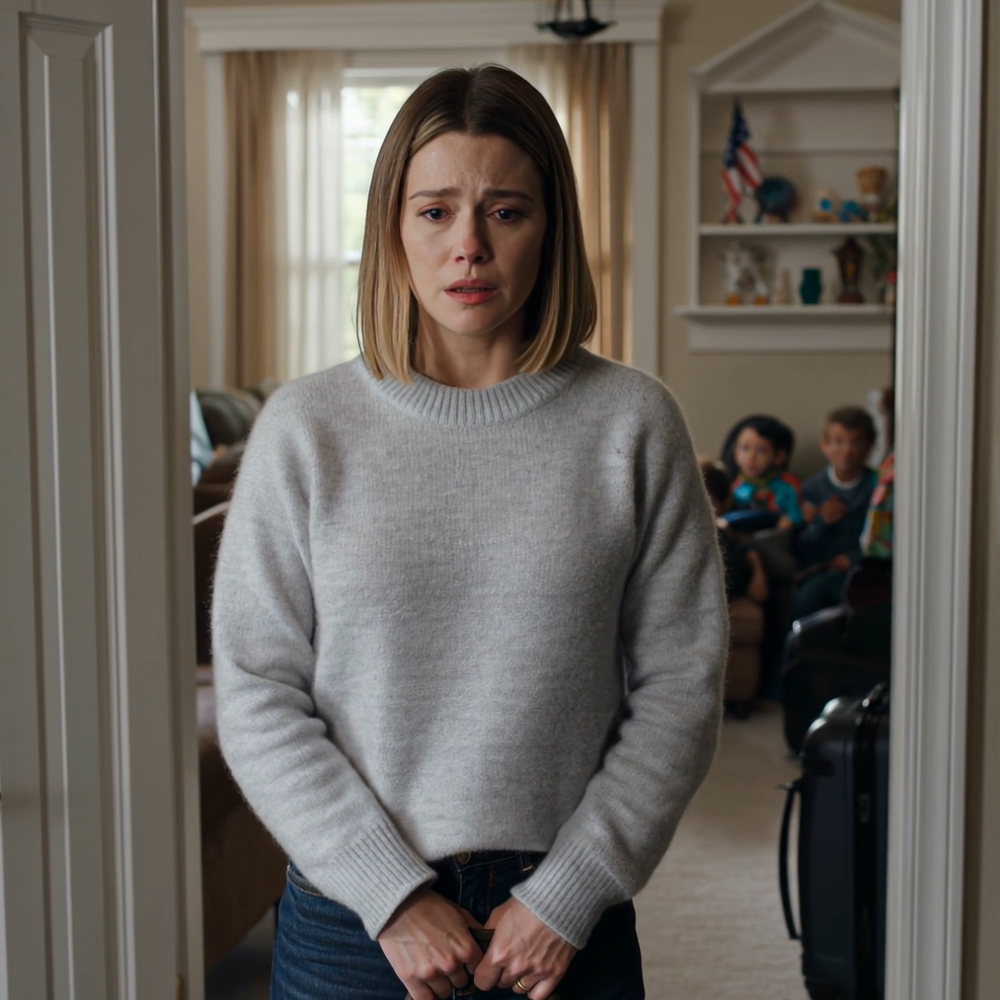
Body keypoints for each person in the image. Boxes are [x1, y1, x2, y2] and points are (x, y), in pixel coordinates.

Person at [211, 65, 728, 1000]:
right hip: (355, 928)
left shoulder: (632, 423)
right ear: (393, 230)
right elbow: (256, 689)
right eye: (435, 211)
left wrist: (569, 894)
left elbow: (681, 687)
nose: (469, 248)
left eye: (505, 211)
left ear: (551, 228)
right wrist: (391, 897)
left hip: (565, 919)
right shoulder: (306, 428)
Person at [793, 406, 878, 620]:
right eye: (838, 442)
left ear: (869, 447)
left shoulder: (876, 487)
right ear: (825, 445)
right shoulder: (813, 488)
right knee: (806, 599)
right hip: (823, 572)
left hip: (865, 572)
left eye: (855, 442)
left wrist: (853, 558)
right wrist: (822, 521)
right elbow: (803, 546)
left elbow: (885, 537)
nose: (847, 451)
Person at [727, 416, 804, 528]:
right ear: (736, 453)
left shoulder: (788, 486)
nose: (751, 457)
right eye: (745, 448)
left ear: (779, 457)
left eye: (761, 451)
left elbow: (796, 515)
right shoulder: (734, 488)